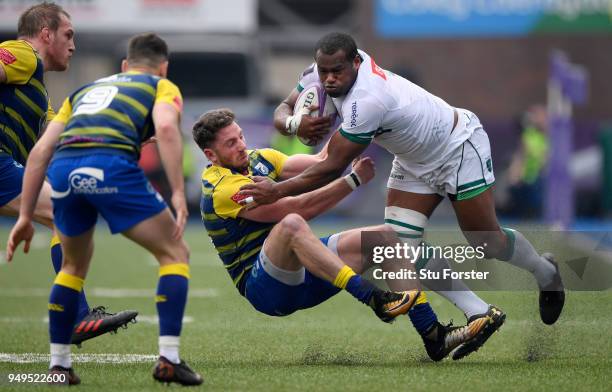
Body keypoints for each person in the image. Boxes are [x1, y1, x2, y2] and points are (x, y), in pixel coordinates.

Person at [240, 32, 565, 359]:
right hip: (414, 161)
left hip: (457, 146)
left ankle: (545, 272)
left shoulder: (367, 100)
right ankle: (479, 312)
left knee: (486, 241)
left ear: (356, 63)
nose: (329, 79)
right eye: (324, 71)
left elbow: (331, 166)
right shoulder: (321, 72)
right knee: (399, 246)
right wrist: (294, 122)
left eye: (337, 71)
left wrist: (275, 191)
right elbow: (283, 109)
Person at [194, 108, 498, 363]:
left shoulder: (260, 158)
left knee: (386, 237)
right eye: (231, 143)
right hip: (267, 289)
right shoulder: (222, 188)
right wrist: (351, 182)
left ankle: (434, 335)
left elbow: (321, 162)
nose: (241, 145)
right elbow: (301, 207)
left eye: (241, 136)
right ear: (211, 154)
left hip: (306, 272)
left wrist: (350, 120)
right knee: (291, 224)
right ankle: (374, 297)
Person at [6, 33, 203, 386]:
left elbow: (40, 152)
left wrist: (23, 218)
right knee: (175, 253)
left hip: (64, 168)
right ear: (164, 67)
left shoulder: (83, 92)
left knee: (71, 264)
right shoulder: (162, 86)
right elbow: (168, 131)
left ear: (125, 65)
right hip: (110, 164)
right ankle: (169, 360)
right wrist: (177, 192)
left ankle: (59, 367)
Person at [0, 2, 137, 346]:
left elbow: (61, 136)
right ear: (46, 33)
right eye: (68, 35)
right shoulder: (24, 54)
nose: (73, 45)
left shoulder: (37, 88)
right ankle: (77, 318)